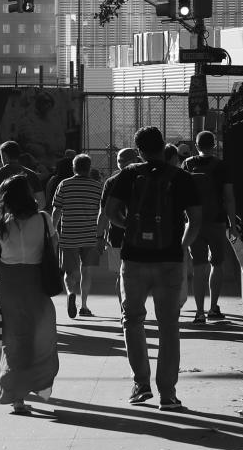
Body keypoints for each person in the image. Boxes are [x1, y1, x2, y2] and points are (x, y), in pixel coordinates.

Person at [104, 126, 202, 410]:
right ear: (163, 146)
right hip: (169, 259)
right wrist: (182, 247)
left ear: (139, 151)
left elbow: (111, 212)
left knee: (132, 320)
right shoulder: (182, 177)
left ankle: (141, 384)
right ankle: (168, 393)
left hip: (134, 259)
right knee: (169, 326)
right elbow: (195, 219)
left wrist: (130, 227)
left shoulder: (129, 174)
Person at [0, 175, 59, 414]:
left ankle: (15, 396)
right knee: (42, 335)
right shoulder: (44, 219)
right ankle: (40, 383)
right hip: (37, 283)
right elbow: (53, 248)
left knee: (13, 339)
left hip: (9, 285)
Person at [182, 130, 235, 323]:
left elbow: (180, 196)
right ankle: (213, 307)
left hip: (193, 223)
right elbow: (229, 198)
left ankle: (199, 312)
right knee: (217, 264)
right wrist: (234, 226)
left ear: (196, 146)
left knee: (198, 267)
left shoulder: (187, 164)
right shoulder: (222, 167)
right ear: (214, 146)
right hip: (217, 221)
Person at [52, 154, 104, 318]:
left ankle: (70, 293)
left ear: (73, 168)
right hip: (90, 235)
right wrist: (101, 234)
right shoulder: (97, 187)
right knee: (86, 271)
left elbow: (56, 210)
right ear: (89, 168)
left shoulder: (64, 185)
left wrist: (53, 231)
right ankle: (84, 306)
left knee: (70, 272)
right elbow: (102, 213)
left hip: (69, 235)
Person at [97, 148, 139, 309]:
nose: (120, 164)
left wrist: (99, 236)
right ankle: (134, 305)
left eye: (122, 161)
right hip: (140, 234)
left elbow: (104, 213)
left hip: (117, 234)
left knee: (120, 274)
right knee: (138, 273)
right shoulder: (146, 177)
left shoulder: (112, 181)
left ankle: (124, 308)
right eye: (120, 161)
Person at [0, 140, 46, 210]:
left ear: (4, 155)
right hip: (26, 217)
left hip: (4, 218)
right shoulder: (31, 174)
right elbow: (42, 203)